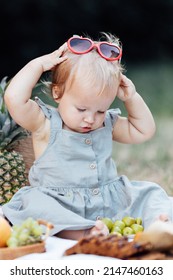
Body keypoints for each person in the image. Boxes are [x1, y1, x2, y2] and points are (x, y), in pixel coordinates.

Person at [2, 33, 172, 240]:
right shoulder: (44, 123)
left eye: (100, 111)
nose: (90, 119)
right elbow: (13, 98)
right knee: (37, 206)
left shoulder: (106, 123)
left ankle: (160, 224)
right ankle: (84, 232)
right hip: (59, 202)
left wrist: (132, 98)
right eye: (81, 109)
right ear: (57, 93)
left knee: (150, 192)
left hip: (109, 201)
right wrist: (39, 65)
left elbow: (143, 130)